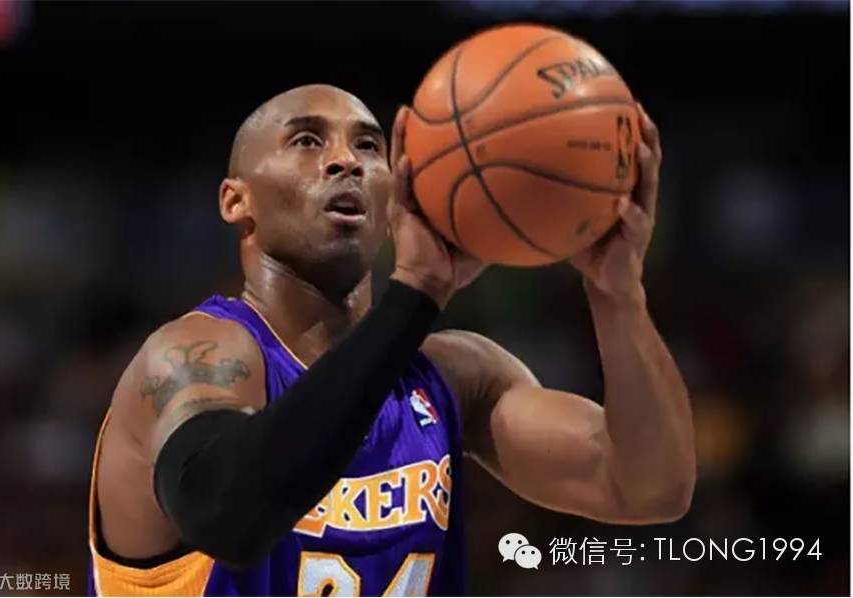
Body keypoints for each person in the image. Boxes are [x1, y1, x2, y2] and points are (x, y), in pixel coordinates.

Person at [87, 84, 695, 596]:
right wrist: (416, 292)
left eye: (368, 146)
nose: (345, 161)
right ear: (235, 200)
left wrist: (618, 294)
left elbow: (650, 488)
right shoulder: (193, 356)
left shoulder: (456, 376)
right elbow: (231, 516)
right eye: (307, 141)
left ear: (393, 197)